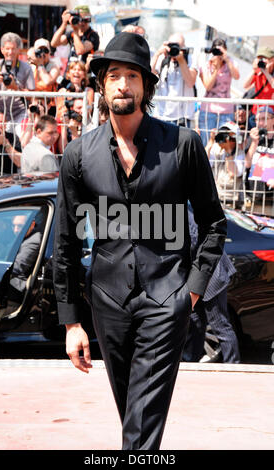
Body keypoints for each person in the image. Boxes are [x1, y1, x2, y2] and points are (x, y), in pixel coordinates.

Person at [52, 32, 227, 450]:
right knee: (135, 414)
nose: (123, 84)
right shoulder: (79, 155)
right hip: (107, 302)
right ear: (101, 85)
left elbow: (213, 223)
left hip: (169, 299)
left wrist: (193, 292)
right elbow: (66, 241)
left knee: (142, 419)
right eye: (114, 75)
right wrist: (72, 321)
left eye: (132, 76)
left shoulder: (183, 145)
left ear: (146, 86)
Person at [182, 207, 240, 364]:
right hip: (198, 275)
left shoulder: (178, 211)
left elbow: (196, 244)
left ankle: (233, 367)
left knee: (220, 325)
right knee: (195, 321)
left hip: (212, 273)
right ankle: (190, 363)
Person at [0, 32, 35, 138]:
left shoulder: (26, 68)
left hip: (19, 112)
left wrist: (16, 88)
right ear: (2, 49)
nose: (10, 52)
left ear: (18, 50)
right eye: (7, 49)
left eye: (13, 49)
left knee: (22, 139)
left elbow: (32, 96)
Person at [198, 38, 240, 146]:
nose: (218, 54)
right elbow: (208, 86)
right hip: (208, 110)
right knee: (206, 143)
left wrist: (227, 59)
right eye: (216, 51)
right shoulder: (207, 64)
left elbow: (236, 76)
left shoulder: (231, 62)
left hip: (226, 111)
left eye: (221, 52)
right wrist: (216, 69)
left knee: (225, 144)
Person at [151, 33, 198, 128]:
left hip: (183, 117)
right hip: (162, 115)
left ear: (183, 47)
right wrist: (157, 54)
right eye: (172, 45)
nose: (174, 49)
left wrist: (181, 60)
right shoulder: (162, 58)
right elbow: (149, 76)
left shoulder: (191, 58)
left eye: (177, 46)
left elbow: (190, 81)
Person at [205, 121, 246, 207]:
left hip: (231, 200)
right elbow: (204, 163)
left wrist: (228, 152)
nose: (224, 139)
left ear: (234, 138)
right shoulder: (216, 148)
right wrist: (211, 141)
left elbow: (233, 173)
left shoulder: (240, 153)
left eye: (227, 135)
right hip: (215, 196)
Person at [245, 106, 274, 201]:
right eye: (257, 119)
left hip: (270, 195)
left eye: (264, 119)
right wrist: (254, 142)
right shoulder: (252, 138)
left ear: (273, 120)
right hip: (253, 193)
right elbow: (246, 164)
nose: (260, 123)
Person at [243, 47, 274, 128]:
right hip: (256, 113)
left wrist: (266, 72)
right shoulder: (257, 72)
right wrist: (254, 69)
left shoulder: (270, 75)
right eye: (259, 58)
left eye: (264, 58)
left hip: (269, 115)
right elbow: (245, 85)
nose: (262, 61)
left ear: (272, 60)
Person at [0, 108, 22, 178]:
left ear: (6, 124)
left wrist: (6, 143)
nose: (0, 125)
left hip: (9, 180)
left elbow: (20, 163)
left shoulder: (13, 137)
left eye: (2, 122)